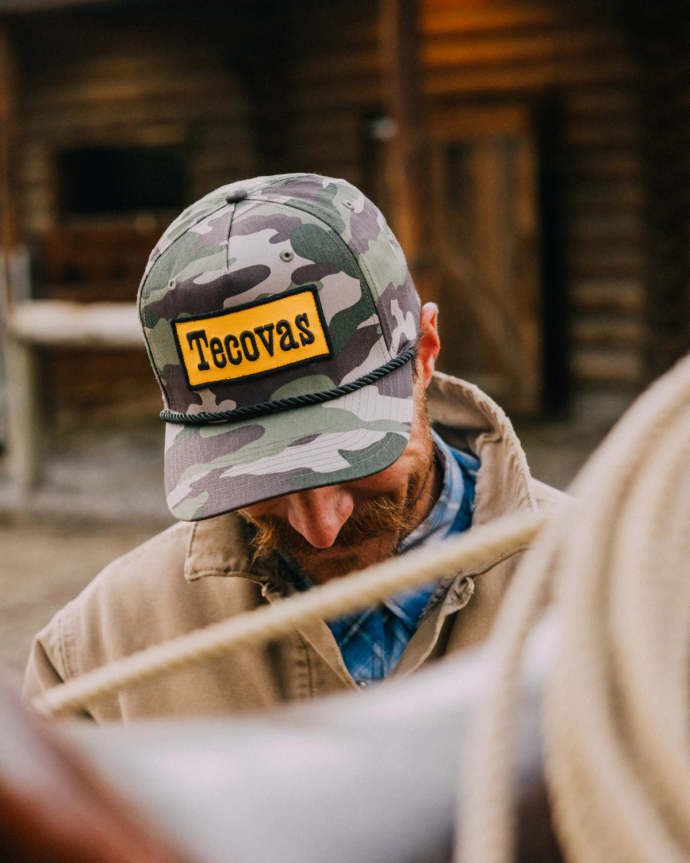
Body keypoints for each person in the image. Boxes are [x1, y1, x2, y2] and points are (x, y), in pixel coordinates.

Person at [23, 173, 567, 721]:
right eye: (264, 479)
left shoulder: (611, 580)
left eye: (355, 455)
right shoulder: (98, 654)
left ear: (424, 354)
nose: (320, 527)